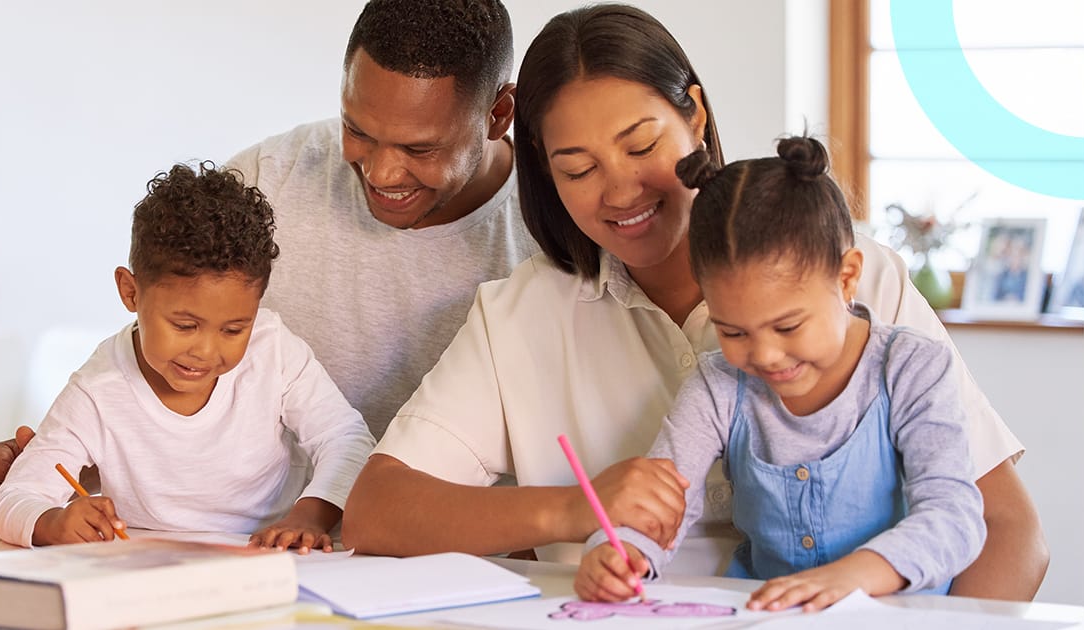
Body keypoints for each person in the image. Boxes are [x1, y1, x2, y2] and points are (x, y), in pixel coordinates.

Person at [343, 3, 1047, 600]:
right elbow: (376, 514)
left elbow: (1007, 531)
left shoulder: (853, 282)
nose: (619, 191)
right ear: (543, 173)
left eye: (640, 144)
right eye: (579, 168)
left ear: (695, 114)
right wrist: (569, 511)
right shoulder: (521, 317)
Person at [0, 0, 537, 528]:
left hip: (452, 549)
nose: (382, 174)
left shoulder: (551, 232)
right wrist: (47, 494)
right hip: (266, 553)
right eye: (357, 131)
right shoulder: (271, 179)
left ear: (498, 114)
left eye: (419, 149)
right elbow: (160, 382)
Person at [576, 136, 985, 610]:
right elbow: (663, 499)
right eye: (732, 331)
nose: (766, 355)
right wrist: (623, 552)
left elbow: (955, 516)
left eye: (788, 325)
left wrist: (853, 576)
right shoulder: (720, 385)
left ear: (847, 276)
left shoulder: (911, 368)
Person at [0, 163, 376, 549]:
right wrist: (52, 522)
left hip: (271, 556)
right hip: (149, 570)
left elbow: (347, 439)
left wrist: (308, 517)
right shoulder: (98, 388)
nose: (206, 351)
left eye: (233, 329)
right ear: (130, 292)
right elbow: (12, 498)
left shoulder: (273, 349)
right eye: (185, 326)